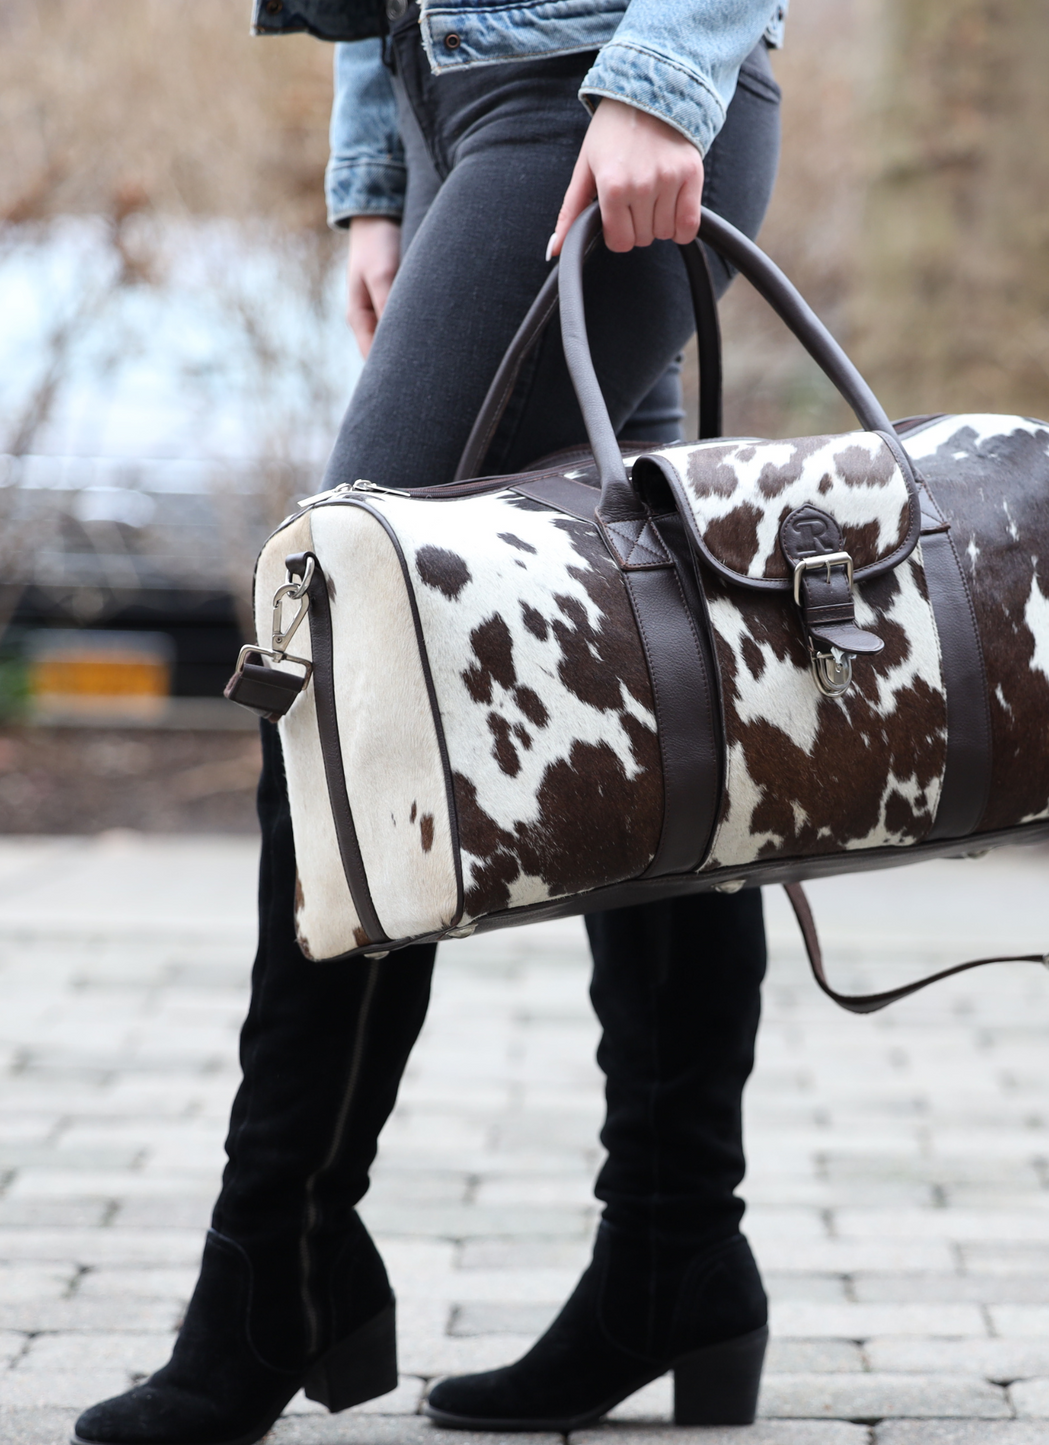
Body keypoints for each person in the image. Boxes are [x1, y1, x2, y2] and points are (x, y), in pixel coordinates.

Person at [73, 2, 784, 1442]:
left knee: (346, 638)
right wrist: (380, 179)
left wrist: (665, 76)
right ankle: (676, 1252)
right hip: (453, 105)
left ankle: (276, 1259)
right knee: (642, 676)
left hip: (587, 90)